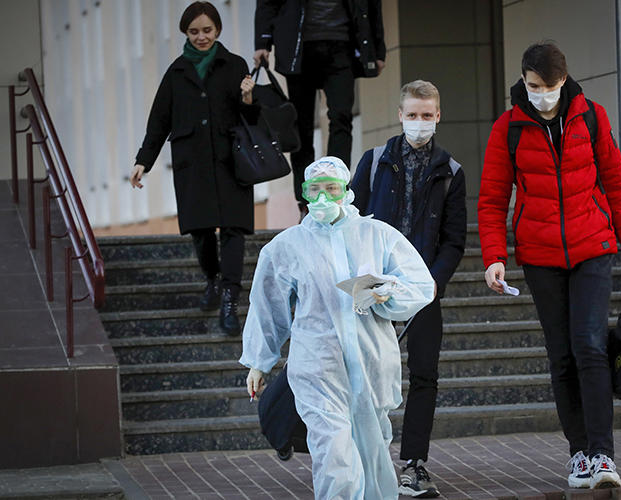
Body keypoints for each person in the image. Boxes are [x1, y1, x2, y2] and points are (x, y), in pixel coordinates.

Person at [477, 42, 621, 489]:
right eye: (534, 86)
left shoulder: (590, 115)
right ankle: (578, 454)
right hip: (540, 256)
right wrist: (494, 257)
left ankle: (604, 456)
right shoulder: (508, 127)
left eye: (551, 86)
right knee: (561, 356)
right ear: (523, 80)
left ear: (565, 79)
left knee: (591, 348)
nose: (543, 94)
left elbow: (615, 182)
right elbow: (493, 197)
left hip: (593, 246)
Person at [240, 157, 434, 500]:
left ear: (347, 192)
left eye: (331, 188)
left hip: (370, 361)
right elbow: (267, 304)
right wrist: (259, 359)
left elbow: (421, 285)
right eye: (314, 190)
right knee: (334, 451)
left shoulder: (378, 236)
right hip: (316, 365)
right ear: (304, 194)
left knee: (372, 454)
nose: (323, 198)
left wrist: (384, 292)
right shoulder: (287, 246)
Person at [351, 80, 466, 498]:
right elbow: (353, 220)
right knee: (363, 373)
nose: (420, 122)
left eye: (427, 115)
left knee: (423, 375)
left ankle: (414, 465)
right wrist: (363, 278)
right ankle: (366, 459)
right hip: (374, 288)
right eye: (412, 115)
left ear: (438, 116)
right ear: (400, 116)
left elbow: (455, 240)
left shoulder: (451, 172)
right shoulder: (374, 160)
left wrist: (431, 284)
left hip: (423, 291)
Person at [130, 1, 256, 336]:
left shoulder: (235, 65)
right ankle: (212, 280)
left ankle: (229, 299)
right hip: (193, 164)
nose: (201, 37)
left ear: (218, 31)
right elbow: (159, 121)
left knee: (233, 230)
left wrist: (247, 99)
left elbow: (253, 120)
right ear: (186, 33)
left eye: (207, 30)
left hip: (232, 162)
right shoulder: (176, 72)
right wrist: (144, 160)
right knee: (201, 231)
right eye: (194, 31)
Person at [253, 0, 386, 218]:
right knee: (300, 128)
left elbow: (372, 4)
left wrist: (377, 48)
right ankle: (306, 201)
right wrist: (262, 41)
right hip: (298, 45)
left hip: (342, 44)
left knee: (342, 118)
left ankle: (336, 191)